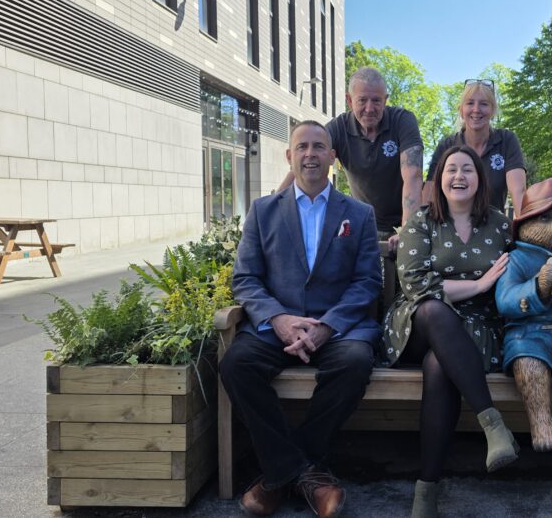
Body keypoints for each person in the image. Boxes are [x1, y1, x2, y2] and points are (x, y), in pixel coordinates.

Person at [221, 121, 382, 517]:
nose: (310, 154)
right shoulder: (262, 211)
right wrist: (277, 319)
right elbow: (245, 279)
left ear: (332, 157)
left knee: (355, 362)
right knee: (236, 365)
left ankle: (280, 476)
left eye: (319, 146)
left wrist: (327, 325)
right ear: (289, 156)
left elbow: (367, 282)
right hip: (277, 327)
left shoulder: (358, 214)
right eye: (302, 147)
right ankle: (304, 475)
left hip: (337, 328)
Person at [381, 145, 519, 518]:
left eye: (467, 170)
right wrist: (477, 285)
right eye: (450, 170)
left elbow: (537, 251)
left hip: (476, 329)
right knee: (435, 310)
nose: (459, 176)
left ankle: (426, 490)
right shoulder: (422, 222)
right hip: (416, 322)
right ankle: (492, 423)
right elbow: (415, 285)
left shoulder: (500, 224)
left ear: (480, 179)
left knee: (439, 365)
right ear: (439, 180)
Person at [279, 67, 423, 251]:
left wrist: (406, 230)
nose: (369, 108)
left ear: (385, 100)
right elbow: (305, 164)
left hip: (403, 221)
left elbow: (413, 175)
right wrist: (274, 209)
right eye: (362, 100)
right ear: (349, 100)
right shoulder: (338, 128)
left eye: (376, 101)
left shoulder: (403, 121)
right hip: (363, 223)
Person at [423, 78, 526, 214]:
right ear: (461, 110)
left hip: (493, 228)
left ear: (493, 110)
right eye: (470, 103)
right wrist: (417, 230)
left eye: (484, 104)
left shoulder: (507, 140)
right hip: (450, 229)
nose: (476, 110)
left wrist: (524, 229)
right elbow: (429, 195)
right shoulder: (446, 146)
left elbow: (518, 191)